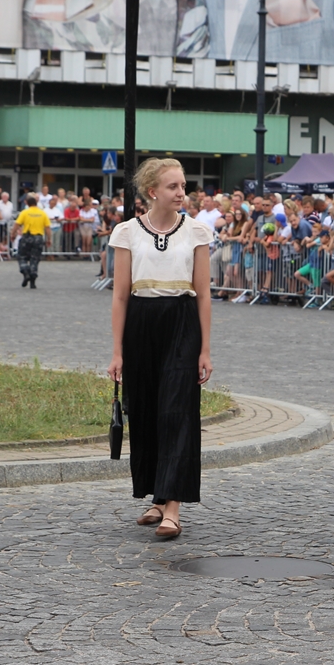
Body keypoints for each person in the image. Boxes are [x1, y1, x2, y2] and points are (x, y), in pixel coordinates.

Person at [107, 158, 214, 539]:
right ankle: (157, 495)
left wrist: (205, 349)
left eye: (183, 186)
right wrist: (117, 352)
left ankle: (173, 507)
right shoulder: (127, 232)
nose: (182, 193)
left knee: (177, 411)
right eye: (173, 186)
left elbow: (204, 295)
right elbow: (120, 296)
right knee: (146, 411)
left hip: (182, 322)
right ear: (152, 191)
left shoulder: (197, 232)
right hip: (141, 323)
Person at [12, 194, 52, 288]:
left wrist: (12, 234)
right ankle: (33, 281)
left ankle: (25, 272)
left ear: (28, 204)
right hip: (38, 238)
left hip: (27, 237)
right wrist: (49, 239)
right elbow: (47, 228)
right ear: (36, 203)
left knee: (22, 256)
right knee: (35, 259)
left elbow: (17, 224)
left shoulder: (24, 212)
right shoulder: (42, 213)